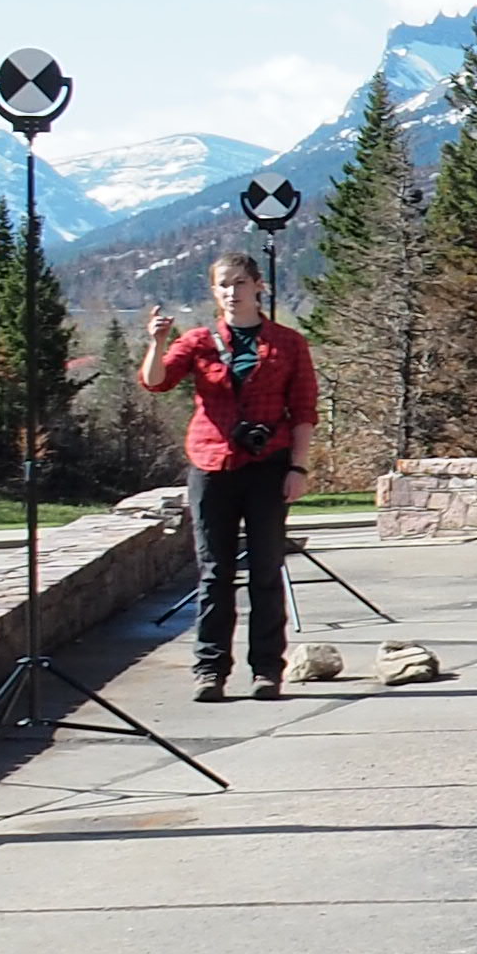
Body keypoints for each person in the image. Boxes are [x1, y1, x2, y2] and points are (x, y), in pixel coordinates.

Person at [141, 251, 321, 700]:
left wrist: (298, 466)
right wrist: (158, 344)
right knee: (214, 572)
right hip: (211, 465)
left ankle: (266, 670)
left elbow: (303, 412)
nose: (231, 292)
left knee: (265, 569)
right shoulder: (199, 341)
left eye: (240, 283)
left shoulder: (287, 343)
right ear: (213, 290)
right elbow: (155, 382)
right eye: (223, 284)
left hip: (269, 466)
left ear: (259, 286)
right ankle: (210, 670)